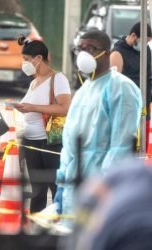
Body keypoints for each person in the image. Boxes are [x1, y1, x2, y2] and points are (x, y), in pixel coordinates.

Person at [55, 30, 142, 225]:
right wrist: (62, 182)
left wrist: (102, 187)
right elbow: (69, 143)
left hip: (101, 191)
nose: (84, 54)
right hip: (72, 187)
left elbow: (120, 147)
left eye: (91, 48)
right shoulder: (83, 90)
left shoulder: (121, 88)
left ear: (107, 52)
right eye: (81, 48)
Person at [14, 35, 71, 213]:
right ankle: (35, 227)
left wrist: (32, 107)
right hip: (31, 141)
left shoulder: (58, 79)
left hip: (50, 142)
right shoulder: (33, 82)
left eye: (27, 60)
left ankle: (57, 224)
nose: (24, 64)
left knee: (55, 187)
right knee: (37, 190)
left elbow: (65, 107)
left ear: (39, 59)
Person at [110, 22, 152, 147]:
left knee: (143, 145)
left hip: (144, 107)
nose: (145, 45)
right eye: (143, 41)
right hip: (126, 109)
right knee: (127, 147)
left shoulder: (146, 50)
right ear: (133, 36)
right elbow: (114, 84)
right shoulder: (117, 53)